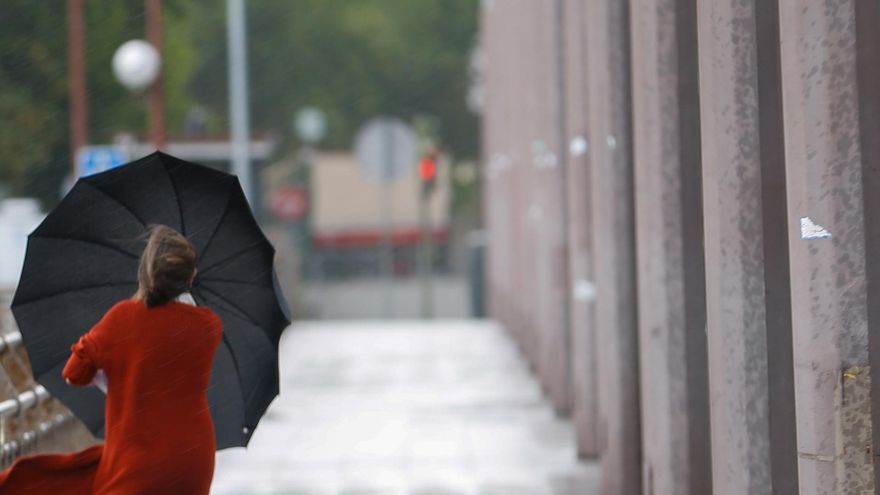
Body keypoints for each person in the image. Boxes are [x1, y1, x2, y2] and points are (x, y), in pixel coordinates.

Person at [0, 224, 223, 495]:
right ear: (192, 275)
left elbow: (74, 372)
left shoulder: (122, 318)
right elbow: (165, 355)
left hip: (136, 462)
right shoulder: (209, 324)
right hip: (192, 461)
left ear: (146, 272)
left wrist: (100, 340)